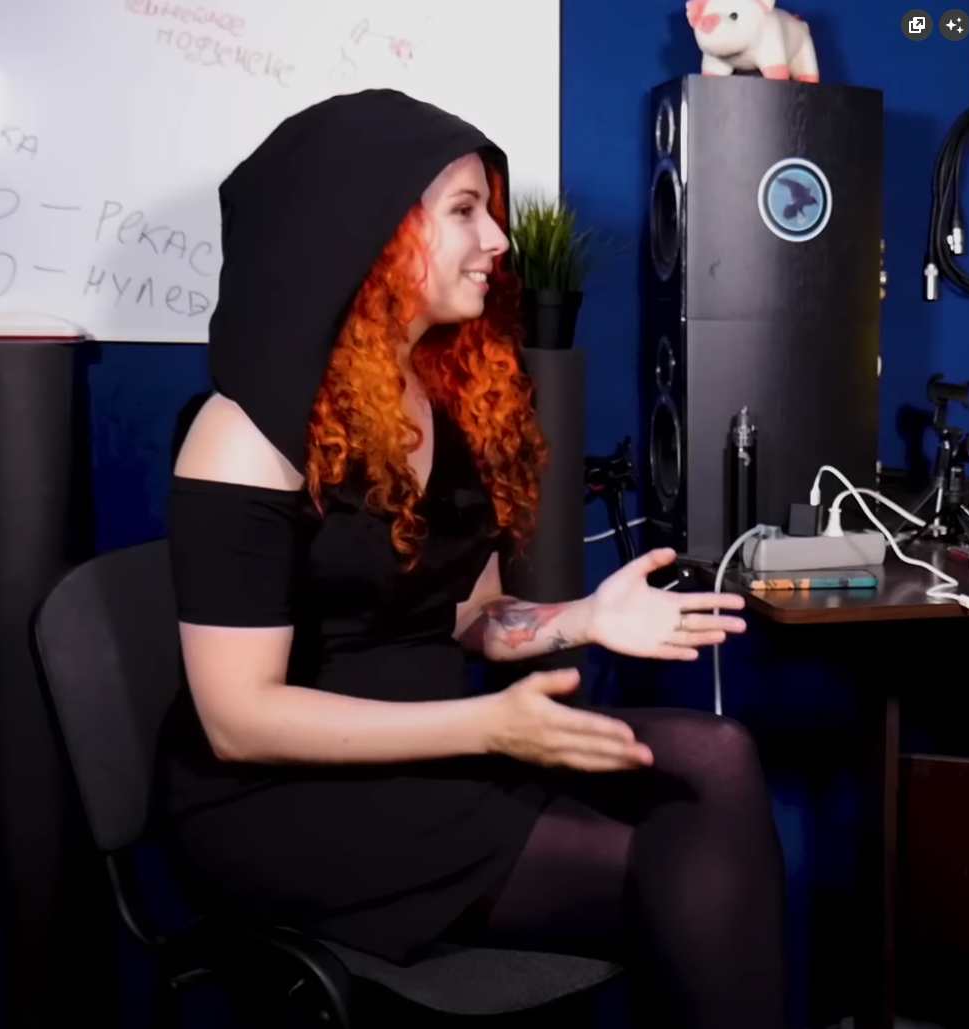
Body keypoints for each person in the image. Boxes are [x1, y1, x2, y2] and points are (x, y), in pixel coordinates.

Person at [160, 89, 786, 1029]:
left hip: (439, 745)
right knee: (674, 870)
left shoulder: (440, 399)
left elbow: (471, 618)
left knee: (719, 755)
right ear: (371, 231)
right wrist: (490, 727)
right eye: (464, 211)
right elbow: (238, 720)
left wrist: (581, 619)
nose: (497, 239)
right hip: (282, 798)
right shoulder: (243, 432)